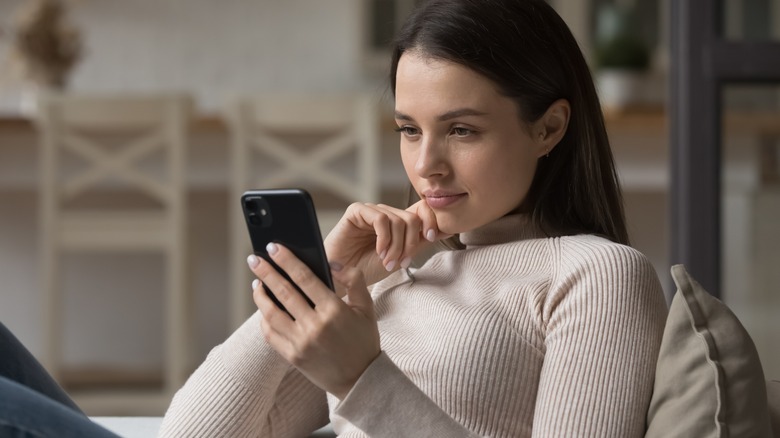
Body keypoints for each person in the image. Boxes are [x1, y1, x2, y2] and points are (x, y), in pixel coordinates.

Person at [160, 0, 668, 436]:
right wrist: (327, 279)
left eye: (462, 130)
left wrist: (361, 378)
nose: (425, 165)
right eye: (408, 129)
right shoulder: (388, 284)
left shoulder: (596, 274)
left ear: (549, 128)